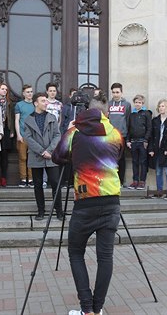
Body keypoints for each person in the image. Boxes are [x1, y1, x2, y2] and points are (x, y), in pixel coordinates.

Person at [52, 93, 124, 315]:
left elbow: (58, 156)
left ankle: (87, 309)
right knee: (105, 256)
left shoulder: (75, 131)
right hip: (111, 200)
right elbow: (118, 156)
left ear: (85, 112)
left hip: (85, 201)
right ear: (105, 113)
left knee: (75, 252)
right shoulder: (115, 133)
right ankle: (98, 307)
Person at [23, 92, 63, 220]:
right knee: (38, 184)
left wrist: (49, 151)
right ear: (36, 103)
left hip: (51, 156)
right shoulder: (28, 119)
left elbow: (57, 135)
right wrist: (41, 151)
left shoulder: (52, 117)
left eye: (46, 101)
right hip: (36, 156)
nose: (46, 103)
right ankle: (41, 211)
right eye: (43, 101)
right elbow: (28, 138)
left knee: (56, 183)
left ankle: (59, 211)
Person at [148, 99, 167, 198]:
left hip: (166, 150)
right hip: (156, 149)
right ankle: (159, 192)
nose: (161, 108)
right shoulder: (155, 120)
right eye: (160, 106)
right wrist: (151, 149)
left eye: (163, 106)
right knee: (158, 172)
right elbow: (151, 135)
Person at [126, 94, 152, 190]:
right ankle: (135, 180)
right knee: (134, 162)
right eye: (136, 102)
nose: (137, 104)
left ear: (142, 103)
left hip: (142, 142)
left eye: (139, 102)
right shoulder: (131, 115)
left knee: (143, 162)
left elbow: (149, 128)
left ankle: (142, 181)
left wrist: (146, 140)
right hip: (133, 142)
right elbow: (128, 128)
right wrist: (128, 140)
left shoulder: (146, 113)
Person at [107, 83, 130, 186]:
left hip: (122, 135)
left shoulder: (127, 104)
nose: (115, 94)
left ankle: (120, 181)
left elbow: (128, 120)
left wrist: (128, 136)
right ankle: (111, 180)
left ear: (121, 92)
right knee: (110, 158)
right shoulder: (108, 104)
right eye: (113, 92)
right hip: (110, 135)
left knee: (121, 158)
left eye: (117, 92)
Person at [0, 82, 15, 187]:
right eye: (3, 89)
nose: (4, 91)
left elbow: (11, 117)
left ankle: (3, 177)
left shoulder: (9, 103)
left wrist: (12, 131)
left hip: (6, 130)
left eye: (6, 89)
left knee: (4, 156)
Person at [15, 84, 35, 187]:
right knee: (22, 158)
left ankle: (31, 179)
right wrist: (18, 134)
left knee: (32, 158)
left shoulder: (35, 105)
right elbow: (17, 120)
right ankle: (23, 179)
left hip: (33, 136)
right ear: (23, 93)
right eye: (27, 92)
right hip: (22, 135)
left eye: (31, 92)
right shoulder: (19, 105)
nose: (30, 94)